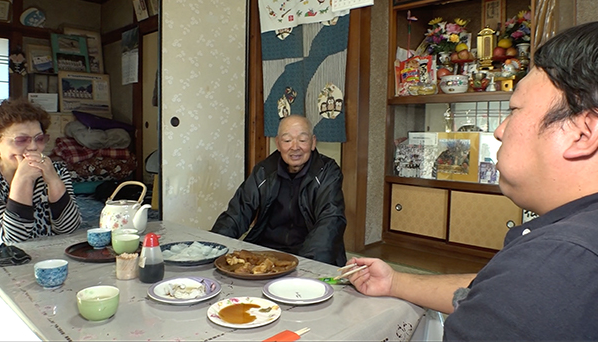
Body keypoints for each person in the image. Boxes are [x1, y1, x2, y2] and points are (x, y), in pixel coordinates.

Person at [344, 21, 598, 340]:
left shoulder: (557, 261)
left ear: (582, 134)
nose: (499, 130)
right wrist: (393, 282)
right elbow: (490, 289)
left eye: (515, 110)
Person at [211, 115, 347, 266]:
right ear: (278, 143)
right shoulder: (264, 171)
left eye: (302, 140)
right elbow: (238, 212)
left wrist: (309, 266)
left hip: (308, 254)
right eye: (287, 140)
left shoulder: (326, 171)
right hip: (267, 252)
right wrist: (213, 250)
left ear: (313, 142)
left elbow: (331, 220)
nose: (295, 147)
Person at [0, 98, 81, 248]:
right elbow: (10, 239)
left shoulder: (57, 170)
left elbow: (69, 228)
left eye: (39, 139)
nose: (33, 147)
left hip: (51, 260)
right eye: (21, 140)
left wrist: (53, 181)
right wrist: (23, 179)